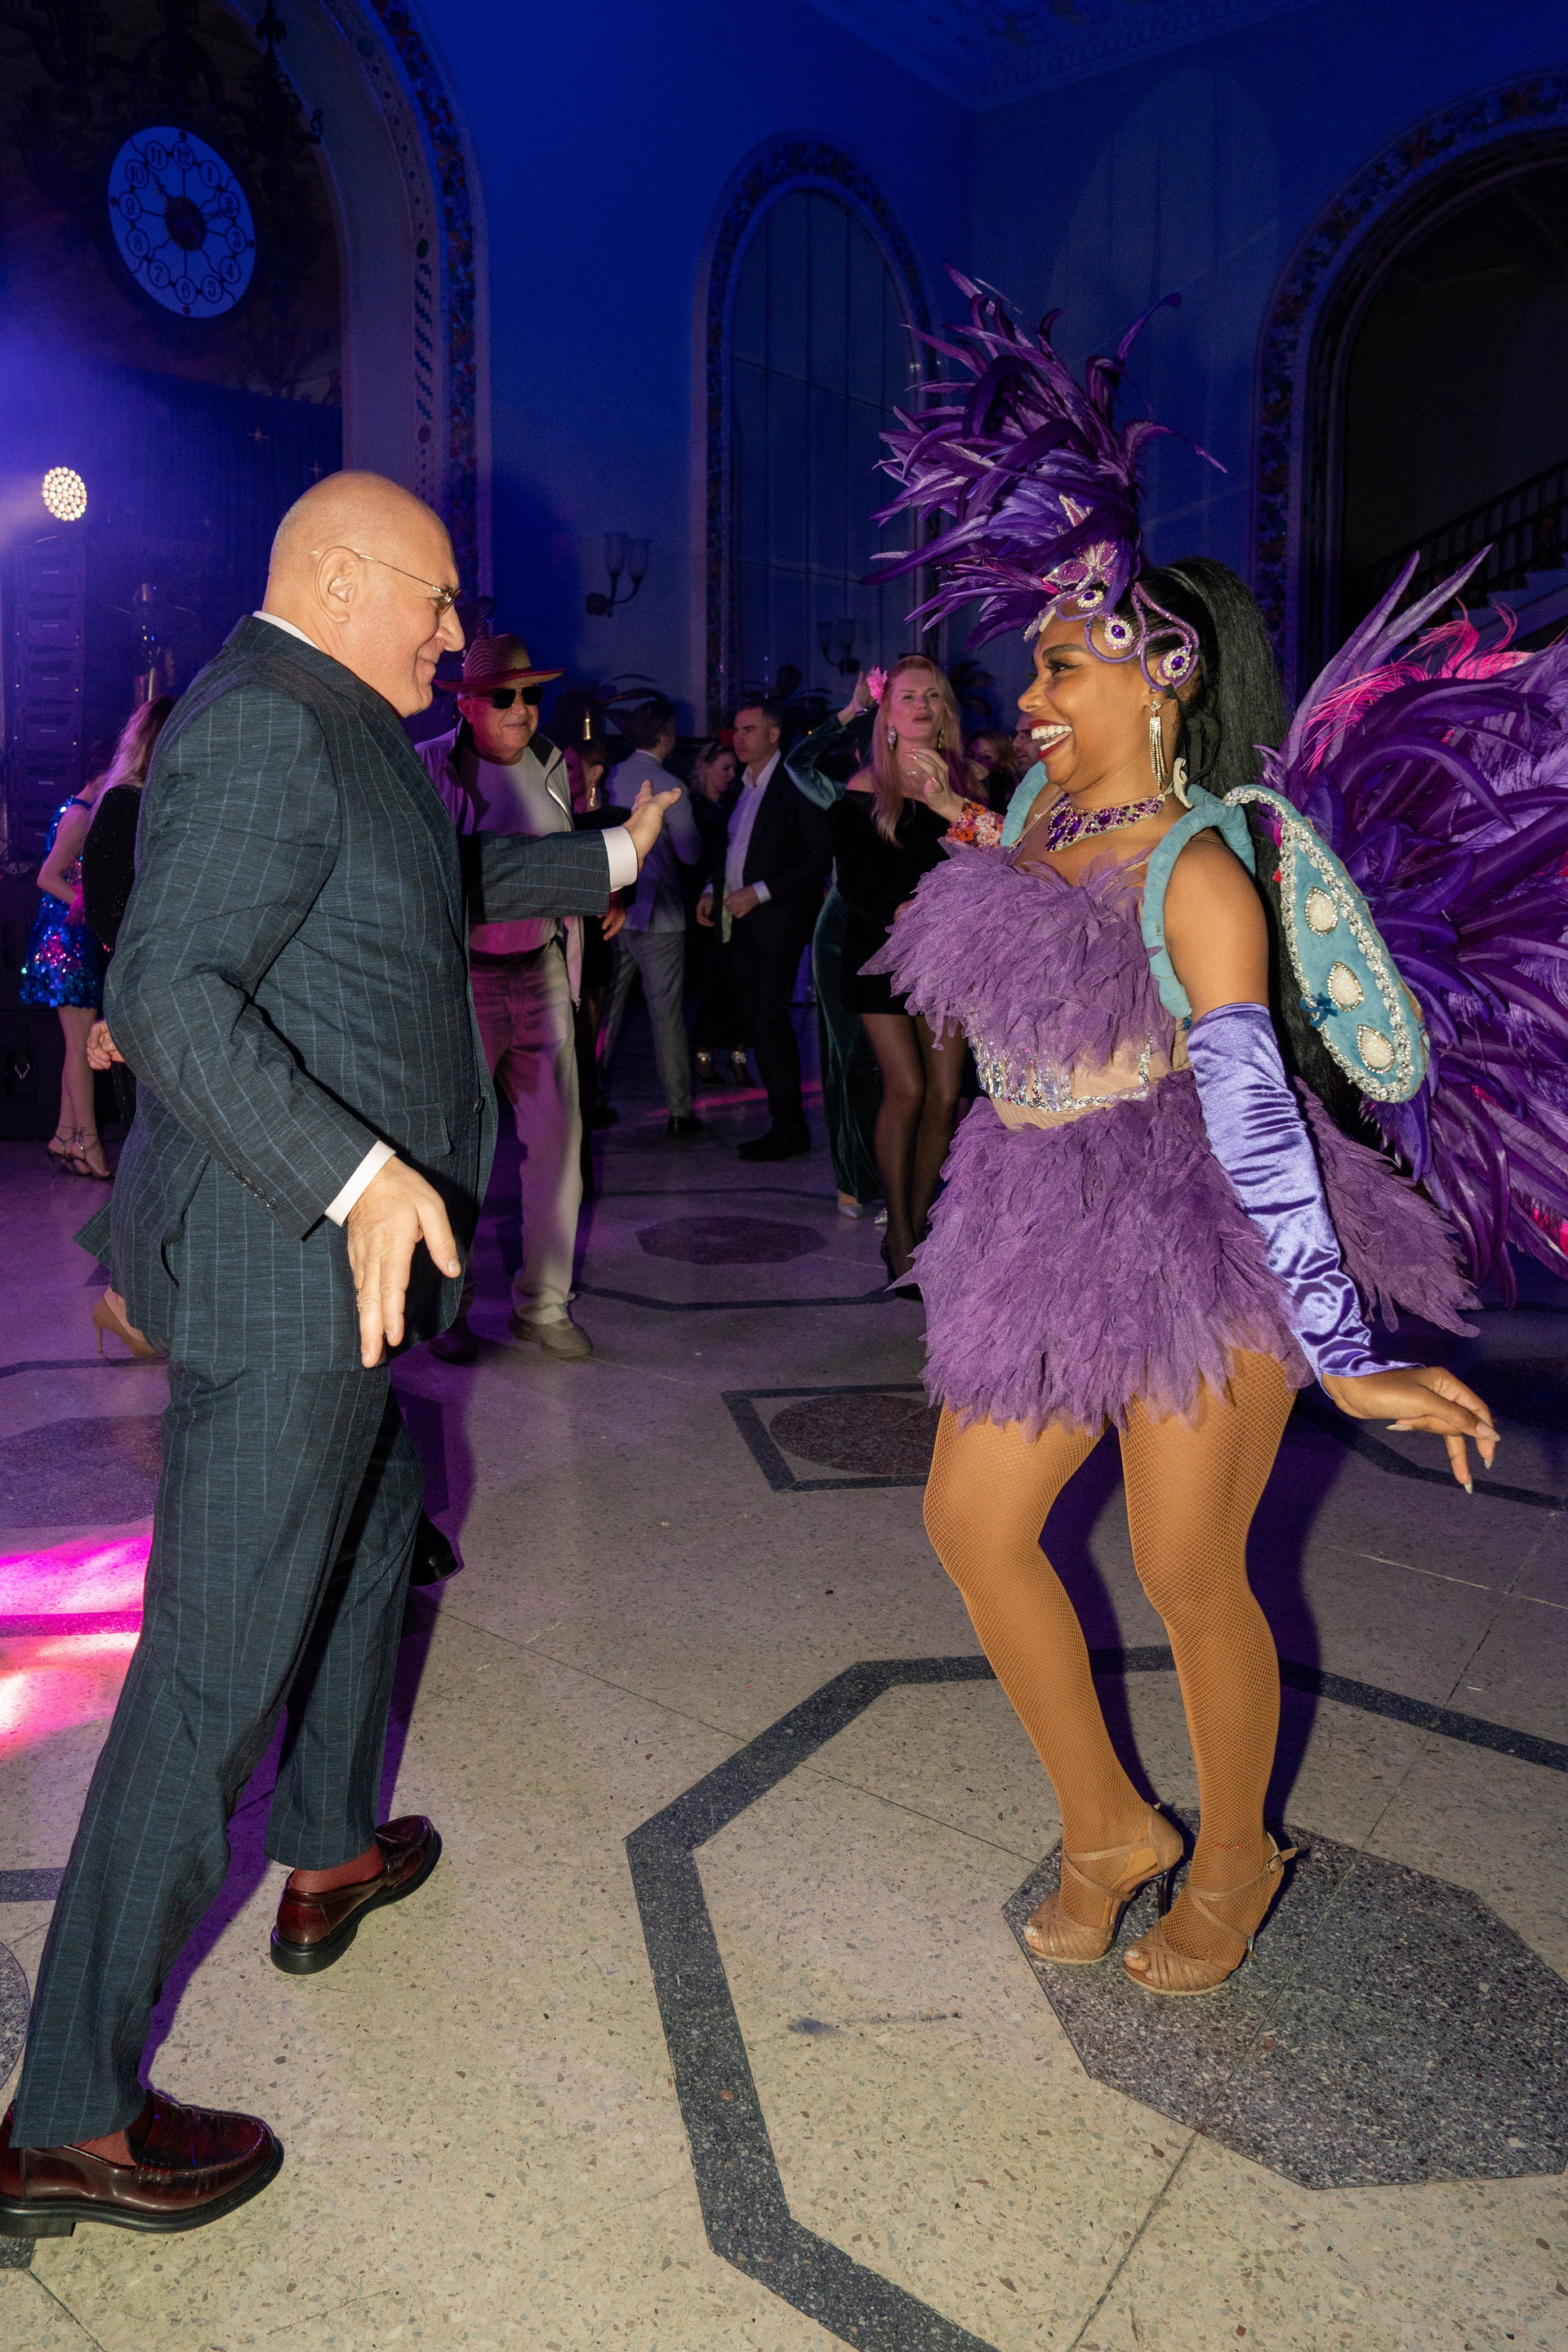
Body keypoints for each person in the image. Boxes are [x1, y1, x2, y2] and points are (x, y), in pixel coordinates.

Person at [0, 470, 675, 2238]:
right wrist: (357, 1173)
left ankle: (327, 1851)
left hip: (345, 1284)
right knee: (206, 1677)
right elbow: (167, 991)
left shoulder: (334, 716)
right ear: (343, 578)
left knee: (380, 1531)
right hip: (290, 1268)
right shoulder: (258, 725)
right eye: (438, 600)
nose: (458, 634)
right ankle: (66, 2115)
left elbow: (422, 877)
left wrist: (610, 856)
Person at [866, 278, 1499, 1998]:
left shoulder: (1202, 869)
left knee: (1184, 1566)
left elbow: (1257, 1113)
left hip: (1197, 1224)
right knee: (974, 1524)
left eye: (1061, 667)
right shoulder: (1038, 811)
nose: (1031, 695)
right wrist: (935, 791)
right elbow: (1013, 904)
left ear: (1167, 680)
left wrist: (1348, 1353)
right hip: (1034, 1215)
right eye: (1033, 667)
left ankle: (1235, 1853)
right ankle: (1108, 1828)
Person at [417, 634, 599, 1363]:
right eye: (503, 697)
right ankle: (447, 1306)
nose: (522, 709)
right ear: (466, 704)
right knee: (456, 1148)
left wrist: (595, 895)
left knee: (559, 1143)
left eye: (531, 694)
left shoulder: (553, 763)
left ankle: (544, 1305)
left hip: (542, 968)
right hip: (466, 979)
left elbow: (561, 860)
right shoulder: (430, 767)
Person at [789, 660, 996, 1274]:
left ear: (945, 709)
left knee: (945, 1095)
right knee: (906, 1089)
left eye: (932, 695)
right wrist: (900, 910)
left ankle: (918, 1217)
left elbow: (997, 855)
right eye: (908, 696)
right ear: (888, 716)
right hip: (879, 954)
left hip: (948, 954)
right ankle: (900, 1233)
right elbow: (854, 883)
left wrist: (950, 806)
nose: (922, 705)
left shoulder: (966, 784)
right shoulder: (863, 789)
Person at [696, 699, 831, 1161]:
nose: (739, 738)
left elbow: (818, 857)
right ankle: (784, 1122)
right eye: (736, 729)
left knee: (769, 1018)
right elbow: (730, 848)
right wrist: (712, 889)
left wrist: (760, 891)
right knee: (757, 1019)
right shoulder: (744, 786)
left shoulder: (794, 782)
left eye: (749, 729)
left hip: (778, 920)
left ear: (774, 734)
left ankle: (789, 1128)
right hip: (743, 921)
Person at [599, 697, 704, 1138]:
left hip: (611, 910)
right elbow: (690, 852)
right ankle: (679, 1112)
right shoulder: (669, 785)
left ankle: (590, 1100)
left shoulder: (610, 777)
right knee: (667, 1015)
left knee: (606, 1011)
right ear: (666, 735)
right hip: (660, 913)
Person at [20, 780, 110, 1183]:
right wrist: (90, 906)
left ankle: (63, 1136)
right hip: (66, 944)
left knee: (75, 1045)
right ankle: (87, 1143)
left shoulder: (76, 810)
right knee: (81, 1047)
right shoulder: (80, 816)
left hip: (66, 940)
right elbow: (46, 877)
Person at [564, 737, 628, 1178]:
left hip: (593, 945)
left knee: (583, 1049)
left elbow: (628, 882)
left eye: (572, 766)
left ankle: (580, 1166)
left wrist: (618, 899)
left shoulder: (613, 821)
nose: (563, 774)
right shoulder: (557, 817)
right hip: (555, 942)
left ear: (595, 773)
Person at [685, 739, 748, 1089]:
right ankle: (704, 1052)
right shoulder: (694, 807)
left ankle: (736, 1055)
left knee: (737, 982)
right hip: (702, 906)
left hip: (730, 902)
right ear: (705, 768)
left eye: (734, 769)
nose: (731, 775)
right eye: (724, 768)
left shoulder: (733, 805)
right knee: (714, 983)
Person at [966, 726, 1022, 813]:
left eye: (986, 757)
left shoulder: (1013, 802)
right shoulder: (960, 792)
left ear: (1003, 763)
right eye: (971, 756)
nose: (976, 762)